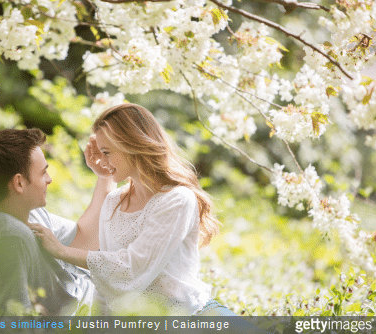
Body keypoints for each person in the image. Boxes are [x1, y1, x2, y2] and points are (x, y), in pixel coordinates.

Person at [29, 103, 237, 316]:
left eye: (107, 152)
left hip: (193, 316)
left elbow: (131, 267)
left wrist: (62, 251)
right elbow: (106, 283)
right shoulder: (113, 202)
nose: (103, 160)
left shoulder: (177, 200)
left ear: (131, 145)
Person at [0, 128, 115, 315]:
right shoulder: (9, 238)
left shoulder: (24, 212)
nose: (50, 179)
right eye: (43, 173)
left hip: (99, 292)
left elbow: (86, 240)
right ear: (19, 183)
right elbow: (16, 323)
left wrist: (106, 175)